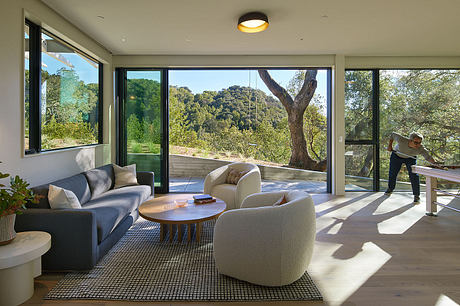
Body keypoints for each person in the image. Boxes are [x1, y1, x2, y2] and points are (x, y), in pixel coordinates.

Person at [385, 132, 436, 203]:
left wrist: (435, 164)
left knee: (414, 175)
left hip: (410, 158)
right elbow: (392, 134)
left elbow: (428, 157)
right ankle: (390, 188)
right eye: (416, 142)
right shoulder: (402, 140)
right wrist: (389, 146)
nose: (418, 145)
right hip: (397, 155)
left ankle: (416, 195)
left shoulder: (421, 148)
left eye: (419, 143)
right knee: (393, 173)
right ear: (410, 140)